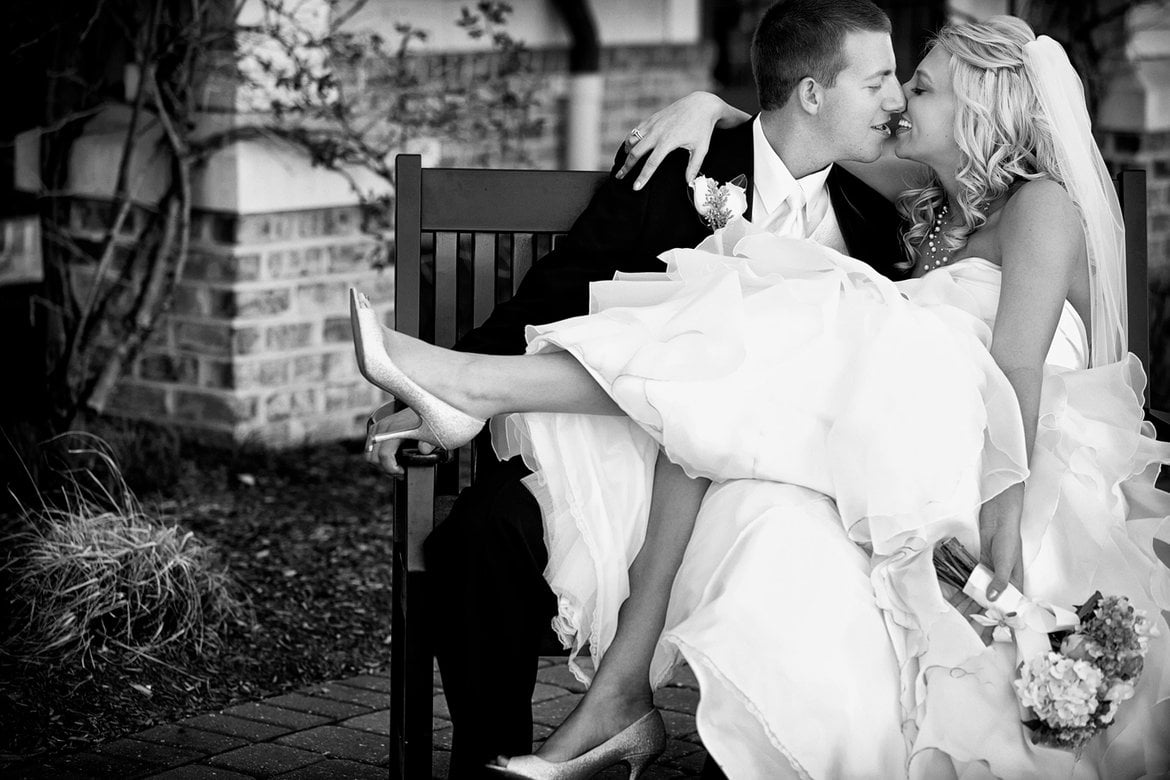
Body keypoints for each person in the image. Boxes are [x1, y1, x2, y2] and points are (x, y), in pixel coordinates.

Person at [358, 12, 1170, 778]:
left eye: (916, 85)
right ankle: (620, 690)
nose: (896, 101)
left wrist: (1007, 530)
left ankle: (471, 389)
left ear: (980, 106)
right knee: (726, 406)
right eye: (893, 81)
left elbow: (1017, 373)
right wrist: (714, 104)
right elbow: (795, 123)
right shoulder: (927, 203)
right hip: (879, 429)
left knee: (784, 321)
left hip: (972, 442)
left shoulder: (1035, 207)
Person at [368, 2, 909, 777]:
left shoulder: (876, 219)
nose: (894, 98)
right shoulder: (678, 164)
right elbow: (552, 293)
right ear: (814, 94)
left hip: (763, 497)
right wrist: (423, 402)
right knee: (476, 540)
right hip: (624, 456)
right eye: (881, 77)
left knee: (804, 577)